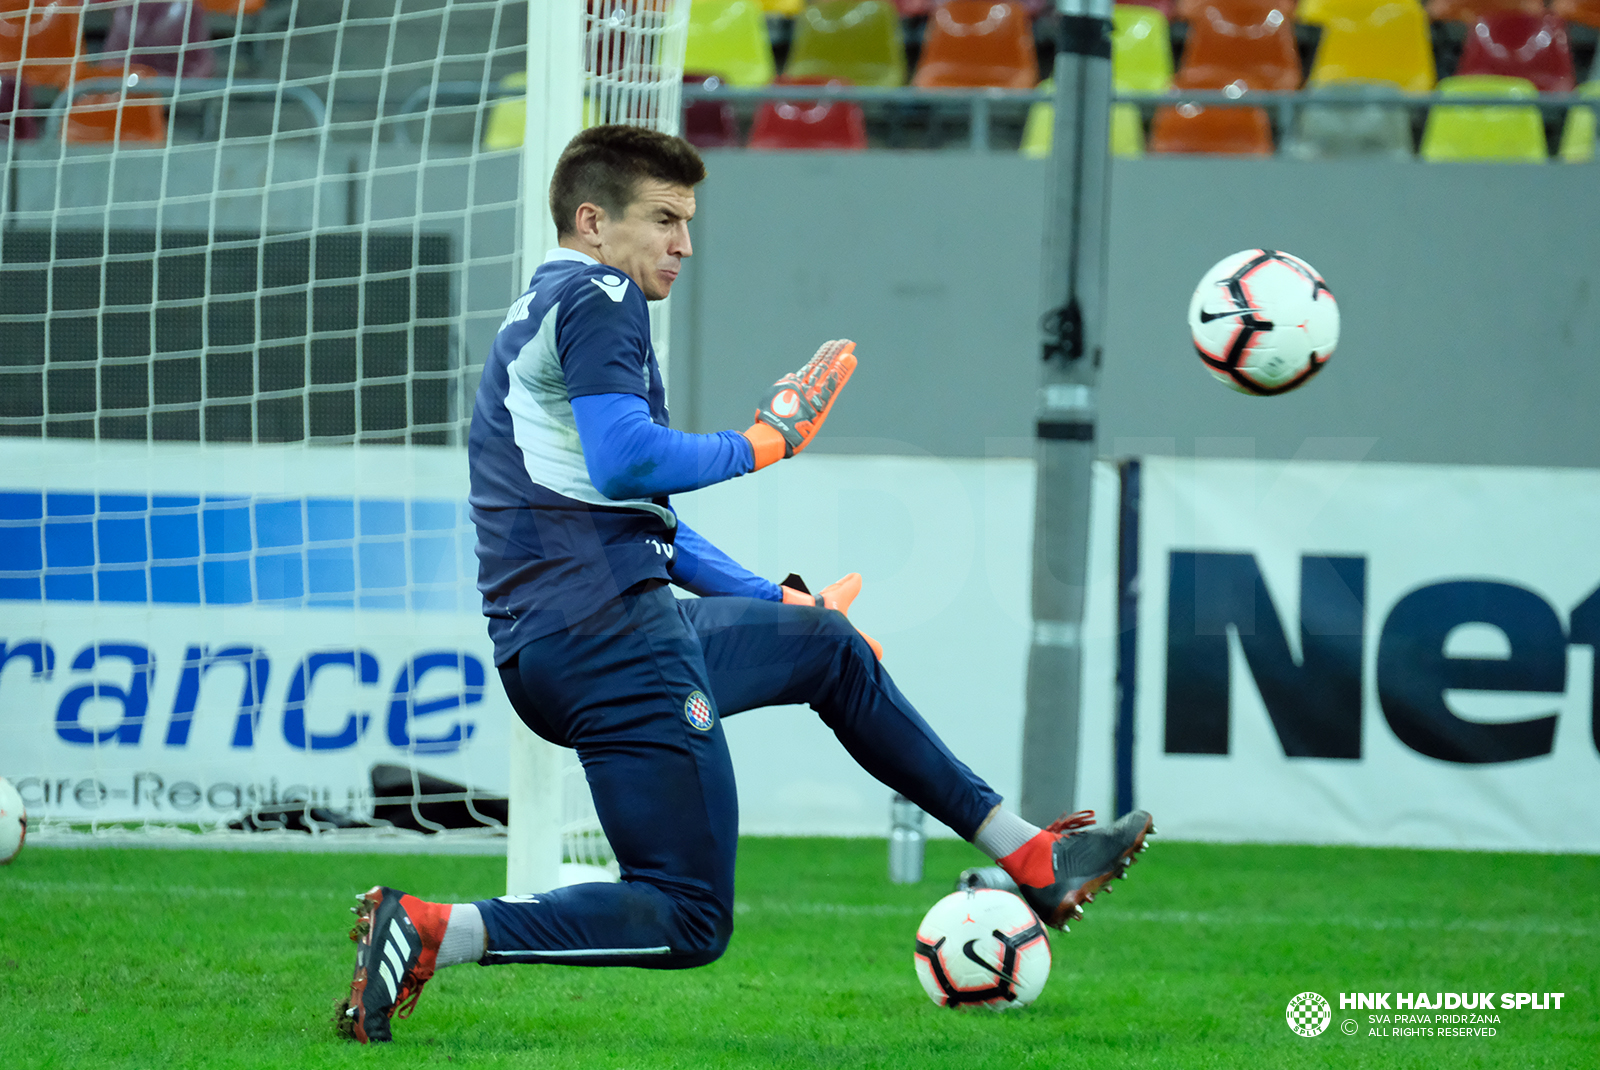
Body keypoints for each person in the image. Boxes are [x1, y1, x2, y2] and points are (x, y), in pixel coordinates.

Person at [337, 125, 1154, 1044]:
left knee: (828, 649)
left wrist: (777, 603)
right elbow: (623, 463)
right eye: (666, 220)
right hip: (611, 642)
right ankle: (430, 929)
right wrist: (767, 441)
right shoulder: (602, 295)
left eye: (689, 221)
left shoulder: (545, 305)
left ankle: (1034, 854)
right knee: (688, 917)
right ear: (594, 222)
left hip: (579, 639)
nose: (685, 244)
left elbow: (650, 524)